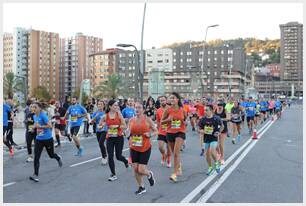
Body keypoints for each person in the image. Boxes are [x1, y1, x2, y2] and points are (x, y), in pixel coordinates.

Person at [127, 102, 157, 195]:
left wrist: (150, 134)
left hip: (145, 147)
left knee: (141, 170)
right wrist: (126, 133)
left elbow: (156, 131)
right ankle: (141, 187)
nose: (137, 109)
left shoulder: (147, 120)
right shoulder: (131, 120)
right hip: (134, 147)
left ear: (143, 110)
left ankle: (149, 174)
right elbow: (128, 131)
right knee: (135, 169)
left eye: (139, 108)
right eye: (136, 108)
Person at [29, 102, 63, 182]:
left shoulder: (43, 115)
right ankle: (36, 175)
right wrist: (33, 128)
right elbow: (36, 125)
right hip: (38, 139)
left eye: (35, 107)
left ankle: (58, 158)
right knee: (36, 157)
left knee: (51, 155)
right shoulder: (34, 116)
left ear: (40, 108)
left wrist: (40, 126)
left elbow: (50, 126)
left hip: (47, 139)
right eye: (33, 107)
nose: (33, 108)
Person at [99, 99, 129, 181]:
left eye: (117, 105)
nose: (117, 107)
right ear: (110, 106)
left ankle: (125, 161)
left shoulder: (119, 114)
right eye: (115, 105)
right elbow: (99, 125)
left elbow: (125, 126)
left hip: (119, 137)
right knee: (110, 156)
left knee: (118, 156)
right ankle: (113, 174)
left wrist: (117, 126)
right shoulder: (105, 116)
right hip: (110, 138)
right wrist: (101, 126)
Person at [161, 92, 187, 182]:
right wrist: (168, 120)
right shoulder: (167, 110)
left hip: (180, 132)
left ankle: (174, 174)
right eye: (170, 98)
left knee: (176, 153)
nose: (172, 99)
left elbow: (185, 120)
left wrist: (185, 122)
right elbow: (161, 122)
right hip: (170, 133)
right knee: (174, 153)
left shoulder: (182, 110)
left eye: (173, 98)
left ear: (177, 100)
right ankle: (178, 166)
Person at [198, 104, 223, 175]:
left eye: (206, 110)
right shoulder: (203, 119)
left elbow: (222, 126)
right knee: (206, 154)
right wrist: (201, 131)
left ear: (211, 111)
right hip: (206, 139)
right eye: (204, 110)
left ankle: (216, 163)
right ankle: (210, 167)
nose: (205, 111)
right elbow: (199, 128)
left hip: (214, 138)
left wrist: (219, 132)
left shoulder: (216, 118)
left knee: (212, 151)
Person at [156, 96, 172, 168]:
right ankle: (163, 155)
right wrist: (158, 129)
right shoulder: (158, 110)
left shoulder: (170, 108)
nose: (162, 102)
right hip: (161, 131)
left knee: (169, 148)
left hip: (169, 131)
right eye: (161, 101)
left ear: (166, 100)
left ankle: (168, 159)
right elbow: (158, 121)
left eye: (163, 100)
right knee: (160, 147)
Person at [91, 100, 108, 165]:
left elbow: (109, 120)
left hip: (105, 129)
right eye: (98, 104)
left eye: (101, 104)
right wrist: (96, 116)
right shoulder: (95, 113)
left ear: (103, 106)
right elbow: (92, 122)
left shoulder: (106, 113)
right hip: (98, 130)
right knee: (100, 144)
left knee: (101, 143)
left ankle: (104, 157)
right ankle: (104, 154)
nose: (99, 105)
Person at [121, 98, 136, 164]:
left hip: (135, 129)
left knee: (133, 143)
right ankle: (131, 156)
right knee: (131, 143)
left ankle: (132, 157)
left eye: (131, 101)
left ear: (134, 102)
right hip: (128, 129)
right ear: (127, 102)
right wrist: (125, 119)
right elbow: (121, 119)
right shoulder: (124, 110)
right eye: (129, 101)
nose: (130, 102)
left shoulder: (136, 110)